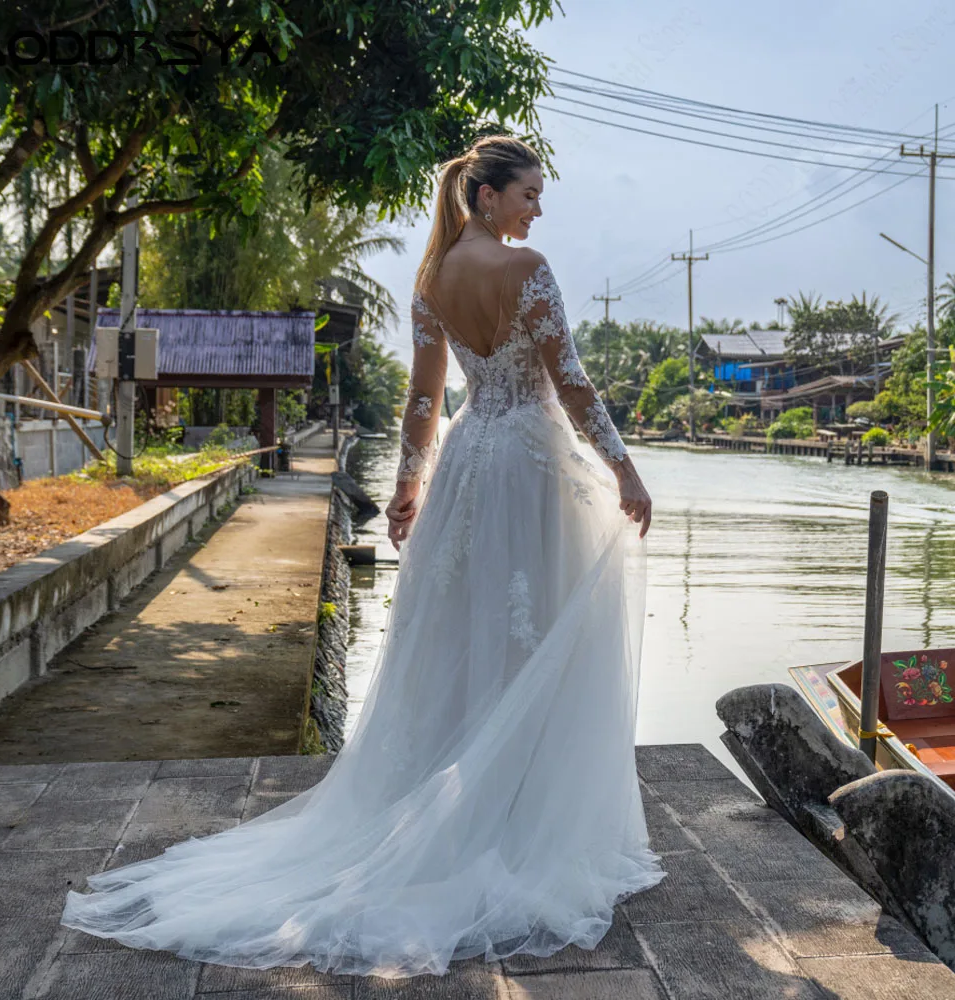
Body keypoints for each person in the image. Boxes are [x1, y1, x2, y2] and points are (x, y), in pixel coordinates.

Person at [60, 135, 665, 979]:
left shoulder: (432, 281)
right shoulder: (528, 272)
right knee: (536, 633)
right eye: (528, 193)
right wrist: (626, 472)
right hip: (530, 466)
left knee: (462, 638)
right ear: (484, 196)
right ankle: (518, 820)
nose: (537, 209)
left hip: (470, 464)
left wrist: (410, 483)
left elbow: (425, 399)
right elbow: (572, 384)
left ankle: (467, 807)